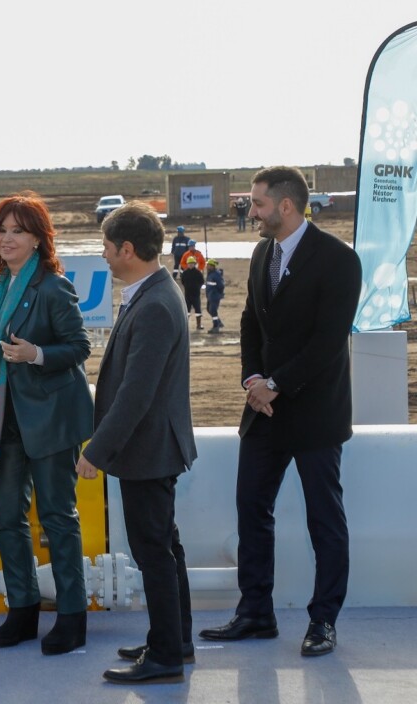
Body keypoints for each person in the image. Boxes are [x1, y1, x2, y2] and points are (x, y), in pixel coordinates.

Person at [199, 166, 362, 657]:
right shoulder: (261, 251)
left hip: (314, 413)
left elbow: (328, 341)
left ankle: (323, 622)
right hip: (263, 411)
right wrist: (252, 379)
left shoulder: (339, 260)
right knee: (252, 508)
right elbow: (250, 320)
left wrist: (276, 384)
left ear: (285, 206)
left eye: (258, 203)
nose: (252, 211)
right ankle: (255, 614)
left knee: (324, 521)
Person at [0, 191, 93, 656]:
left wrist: (34, 354)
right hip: (5, 422)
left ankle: (72, 617)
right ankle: (21, 609)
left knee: (58, 516)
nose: (7, 237)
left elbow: (79, 347)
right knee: (6, 514)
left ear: (39, 238)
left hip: (51, 418)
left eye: (18, 230)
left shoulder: (53, 287)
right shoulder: (0, 290)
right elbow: (2, 311)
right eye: (2, 229)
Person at [76, 201, 196, 685]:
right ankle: (177, 640)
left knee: (154, 552)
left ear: (127, 249)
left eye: (106, 247)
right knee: (165, 545)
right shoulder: (153, 292)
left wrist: (96, 451)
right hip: (154, 446)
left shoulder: (154, 305)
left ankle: (166, 655)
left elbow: (136, 394)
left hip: (148, 449)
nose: (103, 256)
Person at [179, 256, 205, 330]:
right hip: (187, 295)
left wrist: (197, 287)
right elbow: (183, 281)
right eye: (189, 263)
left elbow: (202, 281)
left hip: (196, 295)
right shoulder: (185, 273)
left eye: (192, 263)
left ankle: (199, 325)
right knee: (187, 311)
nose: (190, 265)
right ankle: (185, 325)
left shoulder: (198, 273)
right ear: (187, 264)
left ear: (194, 264)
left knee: (198, 311)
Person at [205, 259, 225, 333]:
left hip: (214, 296)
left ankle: (216, 326)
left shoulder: (216, 274)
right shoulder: (210, 274)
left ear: (212, 266)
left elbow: (221, 285)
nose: (207, 266)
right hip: (210, 296)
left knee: (213, 310)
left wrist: (217, 293)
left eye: (208, 265)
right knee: (209, 309)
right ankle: (218, 322)